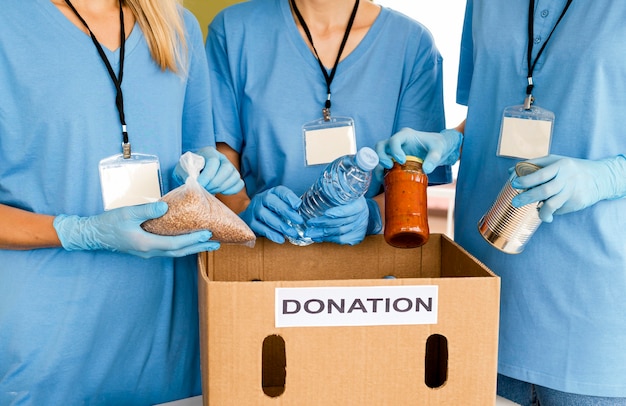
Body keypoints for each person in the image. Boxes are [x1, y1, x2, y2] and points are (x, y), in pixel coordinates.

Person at [375, 1, 626, 404]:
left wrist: (608, 177)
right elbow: (490, 106)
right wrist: (451, 141)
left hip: (593, 320)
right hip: (482, 299)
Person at [0, 1, 243, 405]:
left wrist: (205, 170)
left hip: (167, 336)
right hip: (47, 343)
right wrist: (80, 232)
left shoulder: (176, 27)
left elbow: (192, 148)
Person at [205, 0, 453, 246]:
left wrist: (372, 216)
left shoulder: (411, 44)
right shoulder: (233, 31)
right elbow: (221, 156)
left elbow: (412, 181)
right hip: (261, 257)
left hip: (372, 264)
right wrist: (243, 211)